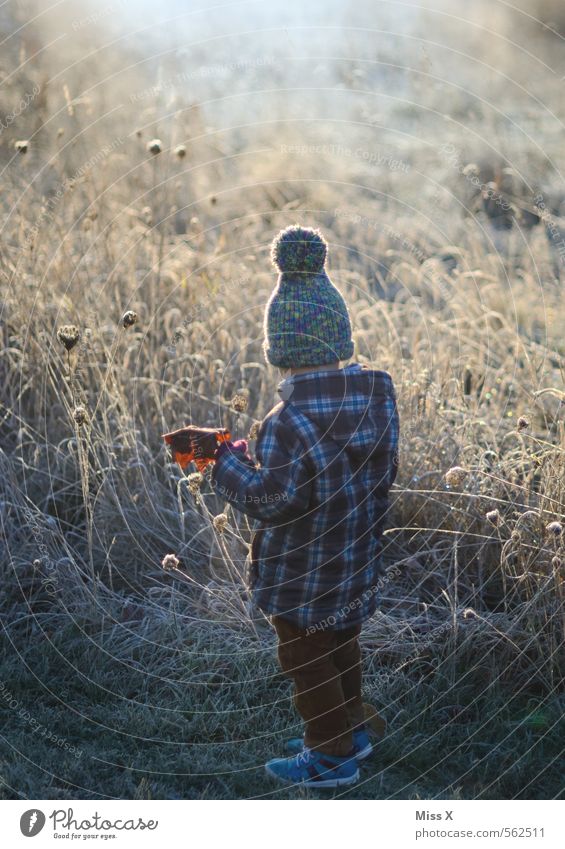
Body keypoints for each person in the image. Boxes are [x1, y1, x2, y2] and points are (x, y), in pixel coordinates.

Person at [191, 224, 399, 788]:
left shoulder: (288, 421)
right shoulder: (376, 403)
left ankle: (330, 756)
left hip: (303, 574)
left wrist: (222, 462)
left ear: (281, 353)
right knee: (341, 644)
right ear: (340, 341)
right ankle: (350, 729)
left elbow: (275, 499)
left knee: (304, 661)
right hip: (355, 560)